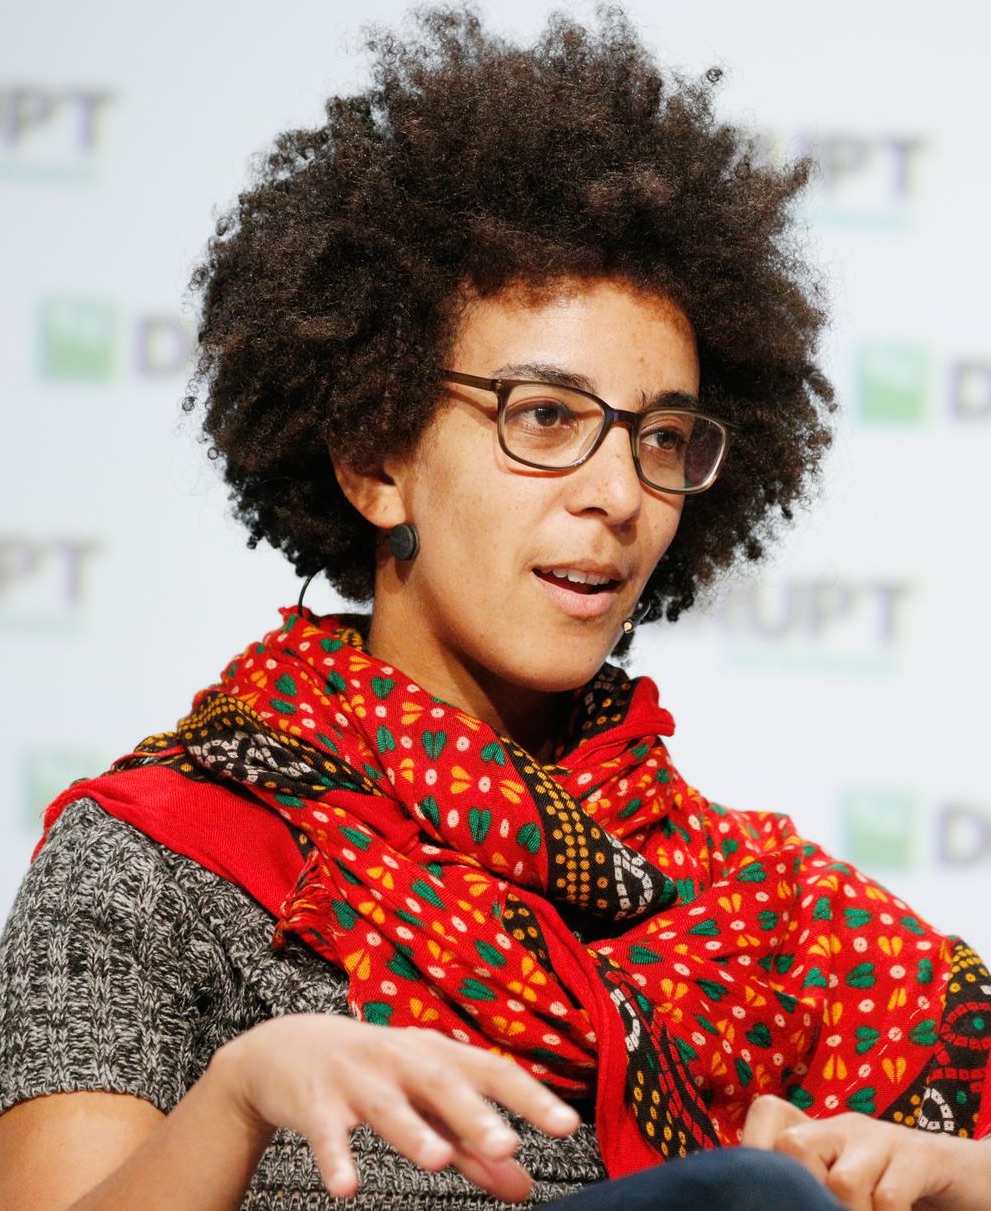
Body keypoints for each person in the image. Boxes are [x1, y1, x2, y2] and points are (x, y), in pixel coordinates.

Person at [1, 7, 989, 1210]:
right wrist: (238, 1095)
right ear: (375, 457)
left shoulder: (759, 906)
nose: (618, 493)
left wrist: (959, 1176)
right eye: (544, 417)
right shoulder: (158, 860)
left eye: (661, 436)